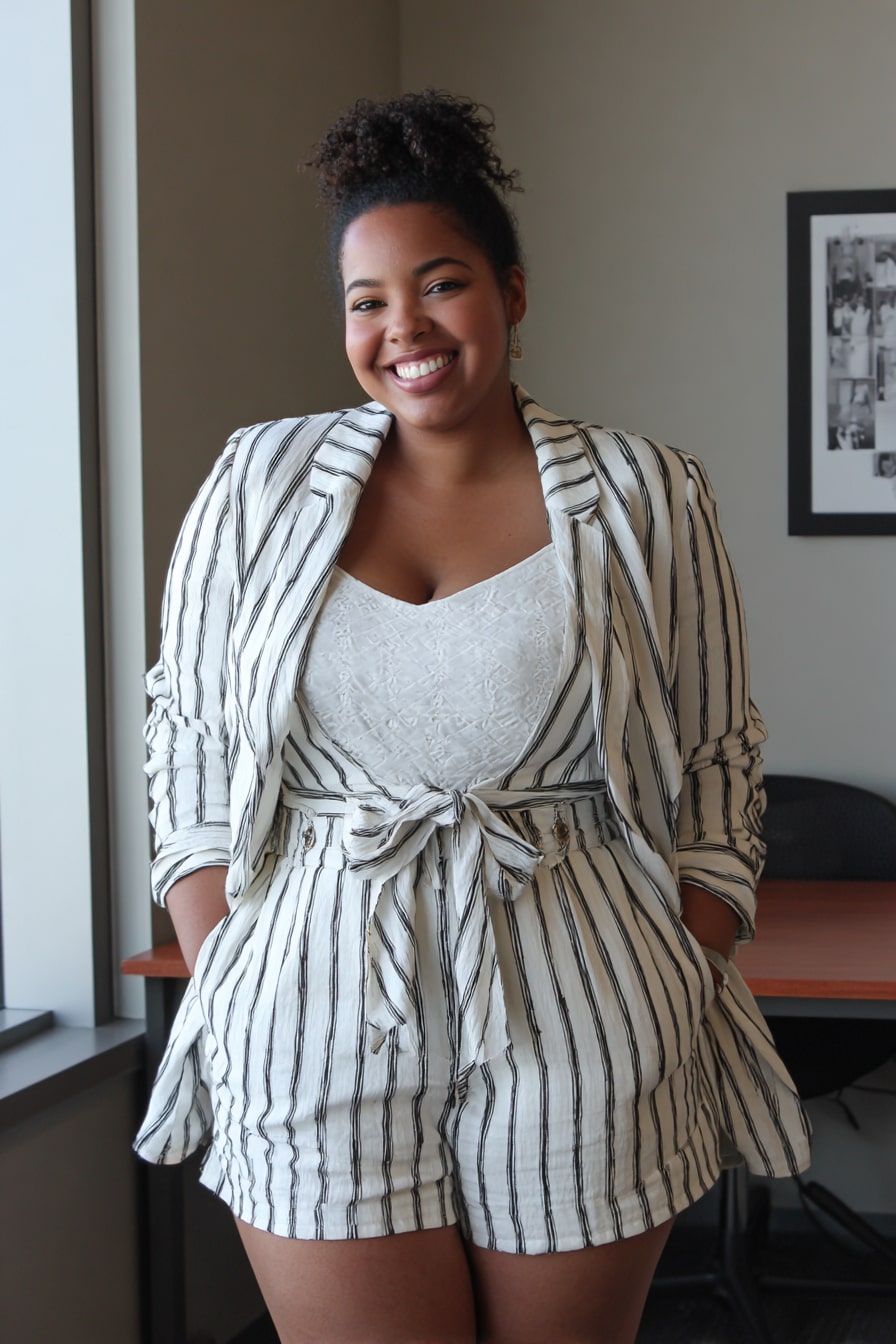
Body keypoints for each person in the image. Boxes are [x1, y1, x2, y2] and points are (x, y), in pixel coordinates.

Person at [135, 91, 810, 1344]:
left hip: (582, 1001)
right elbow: (187, 732)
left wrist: (685, 954)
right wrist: (220, 952)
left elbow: (719, 750)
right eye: (367, 301)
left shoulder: (646, 493)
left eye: (438, 284)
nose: (403, 326)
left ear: (510, 292)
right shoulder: (257, 484)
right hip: (309, 1001)